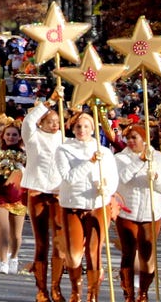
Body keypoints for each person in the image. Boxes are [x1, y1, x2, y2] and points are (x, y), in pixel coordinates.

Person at [56, 111, 118, 301]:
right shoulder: (64, 150)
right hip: (73, 205)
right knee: (74, 256)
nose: (82, 130)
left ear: (93, 128)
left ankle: (93, 294)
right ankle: (76, 290)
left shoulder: (104, 151)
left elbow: (113, 178)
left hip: (97, 205)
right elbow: (69, 178)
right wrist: (90, 163)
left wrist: (105, 189)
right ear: (73, 129)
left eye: (86, 126)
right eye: (78, 127)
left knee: (94, 251)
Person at [116, 124, 161, 302]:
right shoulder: (120, 158)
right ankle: (128, 294)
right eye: (129, 138)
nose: (131, 141)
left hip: (151, 211)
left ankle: (143, 292)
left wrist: (155, 178)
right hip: (128, 211)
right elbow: (120, 179)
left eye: (135, 137)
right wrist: (139, 161)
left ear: (145, 139)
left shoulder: (158, 157)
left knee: (147, 253)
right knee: (128, 252)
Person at [20, 102, 65, 302]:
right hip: (38, 190)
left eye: (57, 121)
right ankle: (41, 289)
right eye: (50, 121)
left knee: (59, 240)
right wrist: (46, 104)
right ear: (42, 123)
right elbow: (28, 122)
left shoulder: (64, 140)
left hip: (57, 192)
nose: (54, 125)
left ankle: (56, 287)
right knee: (41, 242)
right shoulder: (33, 137)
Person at [0, 120, 29, 275]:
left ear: (19, 137)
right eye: (8, 134)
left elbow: (30, 174)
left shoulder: (25, 154)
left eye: (14, 135)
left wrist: (21, 170)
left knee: (16, 235)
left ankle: (14, 257)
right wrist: (0, 170)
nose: (11, 137)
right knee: (2, 229)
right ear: (2, 137)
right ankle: (2, 260)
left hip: (17, 195)